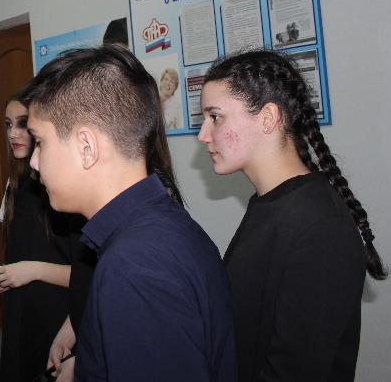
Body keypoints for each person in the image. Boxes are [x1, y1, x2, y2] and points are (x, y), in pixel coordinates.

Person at [26, 44, 236, 381]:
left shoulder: (136, 266)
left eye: (40, 142)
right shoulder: (159, 226)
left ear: (86, 147)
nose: (34, 163)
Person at [198, 49, 388, 381]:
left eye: (215, 117)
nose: (203, 135)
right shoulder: (269, 204)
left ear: (268, 118)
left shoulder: (321, 228)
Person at [0, 84, 71, 382]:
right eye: (8, 124)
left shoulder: (66, 190)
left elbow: (91, 276)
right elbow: (21, 253)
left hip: (59, 323)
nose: (12, 134)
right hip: (21, 318)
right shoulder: (16, 183)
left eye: (22, 124)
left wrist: (30, 270)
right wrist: (3, 277)